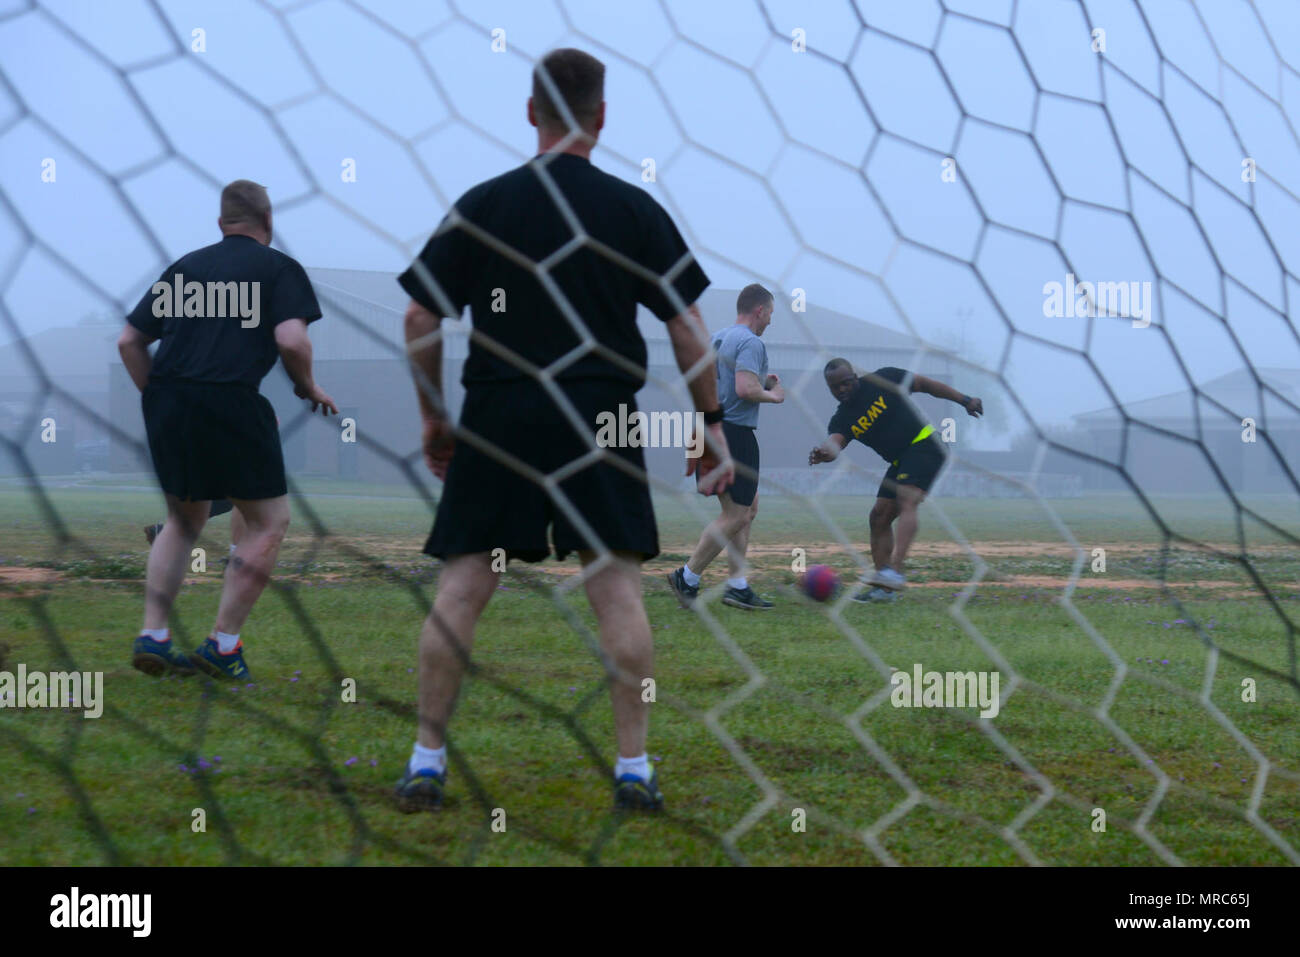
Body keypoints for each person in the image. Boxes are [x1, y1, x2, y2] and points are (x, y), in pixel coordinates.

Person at [393, 47, 732, 814]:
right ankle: (635, 770)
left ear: (529, 112)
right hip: (601, 413)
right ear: (602, 118)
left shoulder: (484, 203)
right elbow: (686, 324)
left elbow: (419, 315)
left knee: (465, 583)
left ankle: (426, 762)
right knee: (615, 587)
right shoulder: (631, 208)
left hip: (501, 411)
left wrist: (433, 414)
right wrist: (708, 424)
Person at [118, 179, 336, 679]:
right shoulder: (278, 268)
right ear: (269, 222)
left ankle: (153, 634)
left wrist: (158, 399)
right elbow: (292, 341)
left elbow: (129, 341)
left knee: (183, 520)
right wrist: (307, 387)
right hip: (231, 399)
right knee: (268, 522)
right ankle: (223, 645)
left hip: (169, 399)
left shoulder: (186, 267)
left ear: (221, 225)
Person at [808, 358, 982, 602]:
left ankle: (895, 573)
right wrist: (823, 453)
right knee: (879, 516)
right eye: (835, 387)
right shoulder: (842, 418)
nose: (842, 390)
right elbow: (835, 442)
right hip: (901, 460)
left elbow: (926, 384)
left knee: (906, 497)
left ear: (855, 377)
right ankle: (884, 588)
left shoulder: (885, 378)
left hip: (926, 444)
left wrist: (964, 400)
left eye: (846, 383)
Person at [667, 284, 782, 610]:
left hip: (706, 428)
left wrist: (763, 382)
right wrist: (774, 395)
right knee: (736, 514)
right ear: (759, 310)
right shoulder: (751, 341)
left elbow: (719, 383)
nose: (770, 321)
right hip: (734, 434)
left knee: (748, 509)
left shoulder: (716, 338)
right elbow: (745, 389)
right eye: (771, 313)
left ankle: (737, 585)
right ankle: (687, 577)